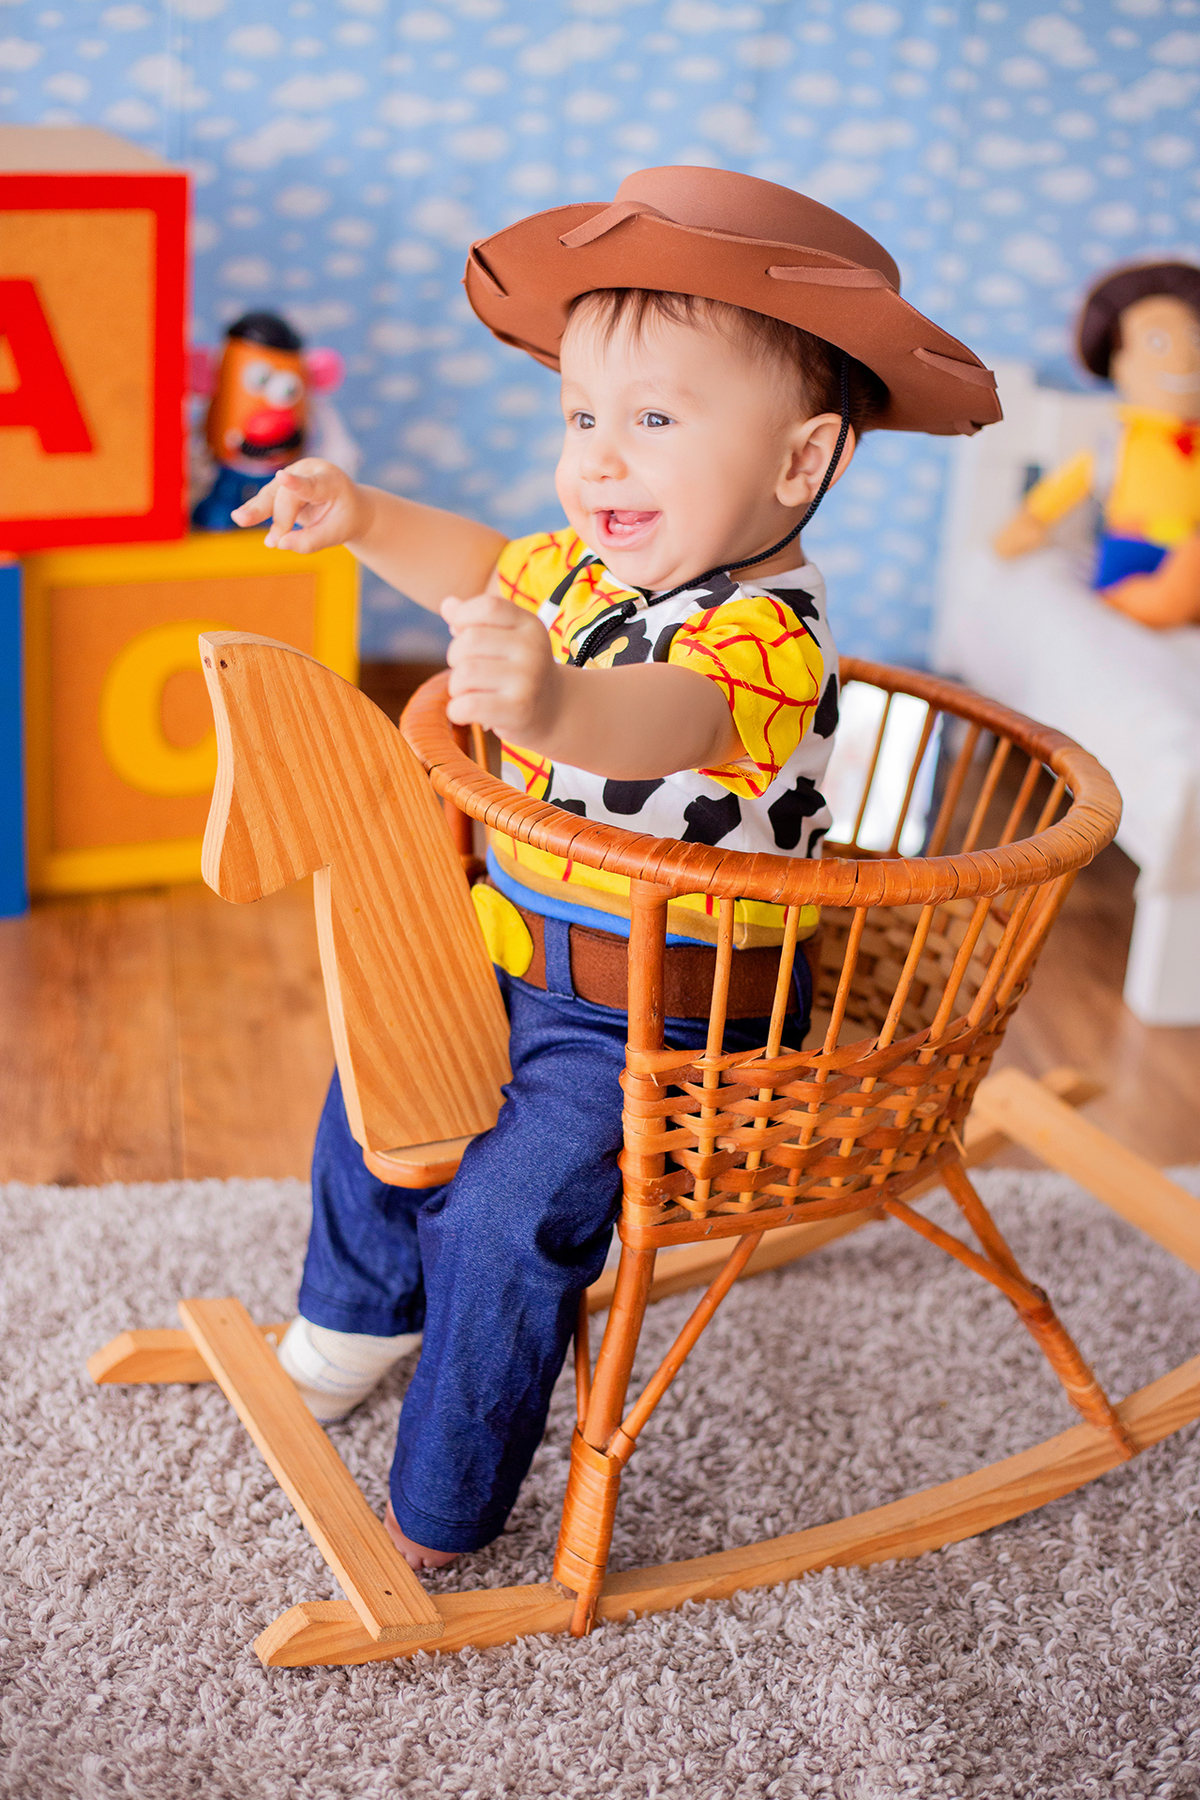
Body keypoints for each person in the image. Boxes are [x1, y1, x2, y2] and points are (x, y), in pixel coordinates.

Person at [231, 166, 1000, 1571]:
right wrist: (359, 514)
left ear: (797, 463)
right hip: (519, 943)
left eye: (652, 421)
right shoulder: (594, 572)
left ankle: (443, 1513)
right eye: (582, 416)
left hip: (667, 1020)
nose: (599, 459)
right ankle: (354, 1314)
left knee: (509, 1216)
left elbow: (657, 725)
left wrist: (544, 711)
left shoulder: (763, 637)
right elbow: (480, 559)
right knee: (377, 1079)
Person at [993, 261, 1200, 628]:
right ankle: (1161, 603)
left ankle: (1174, 600)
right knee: (1156, 592)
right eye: (1156, 342)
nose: (1184, 357)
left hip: (1189, 550)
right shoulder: (1117, 442)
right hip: (1133, 549)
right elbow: (1068, 483)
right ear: (1118, 362)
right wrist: (1032, 518)